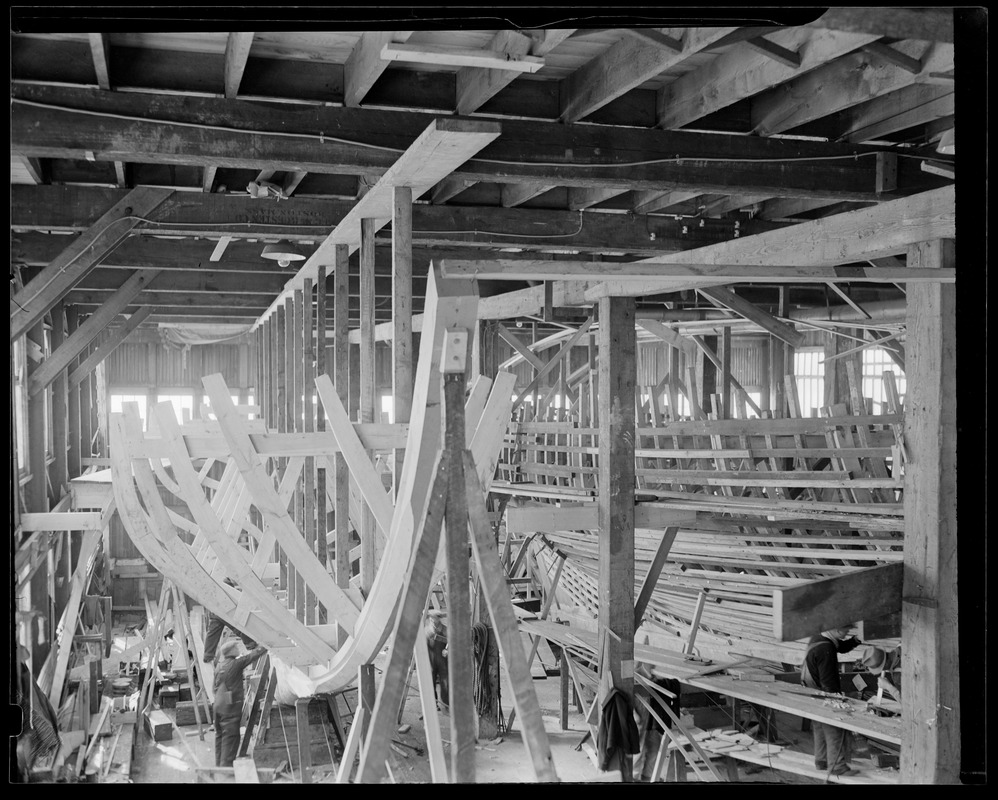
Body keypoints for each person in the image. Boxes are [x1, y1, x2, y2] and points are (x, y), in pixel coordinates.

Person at [801, 625, 863, 777]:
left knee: (819, 725)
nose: (848, 631)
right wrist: (838, 701)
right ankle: (837, 766)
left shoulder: (819, 637)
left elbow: (840, 647)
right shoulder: (826, 649)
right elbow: (828, 680)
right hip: (824, 691)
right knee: (835, 727)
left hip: (811, 689)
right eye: (846, 629)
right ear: (835, 629)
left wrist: (856, 640)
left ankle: (821, 761)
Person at [213, 640, 267, 767]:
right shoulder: (235, 664)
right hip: (229, 708)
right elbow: (251, 656)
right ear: (231, 651)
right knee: (231, 738)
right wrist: (266, 645)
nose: (238, 648)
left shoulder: (219, 666)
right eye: (236, 647)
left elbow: (214, 689)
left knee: (220, 736)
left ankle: (219, 766)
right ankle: (226, 771)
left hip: (218, 707)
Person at [203, 580, 257, 662]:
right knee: (239, 625)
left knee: (213, 632)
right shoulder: (225, 584)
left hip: (216, 608)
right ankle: (250, 644)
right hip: (226, 608)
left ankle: (208, 656)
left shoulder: (217, 581)